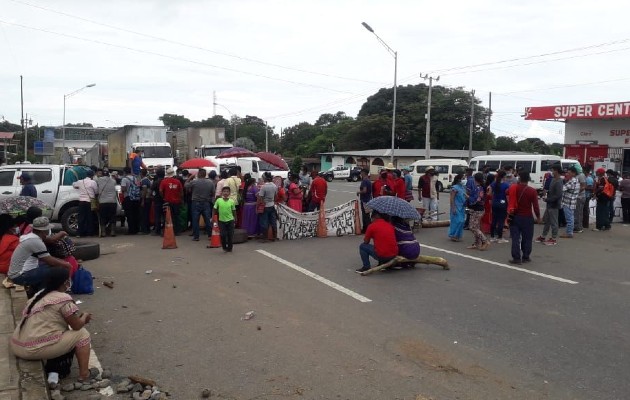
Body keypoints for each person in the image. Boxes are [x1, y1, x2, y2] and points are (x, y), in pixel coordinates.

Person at [10, 267, 92, 382]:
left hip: (18, 345)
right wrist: (84, 317)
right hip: (32, 349)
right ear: (65, 282)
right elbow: (77, 326)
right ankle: (84, 374)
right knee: (82, 334)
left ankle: (55, 371)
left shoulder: (38, 296)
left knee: (61, 331)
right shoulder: (63, 298)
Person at [8, 217, 71, 290]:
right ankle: (45, 291)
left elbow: (50, 239)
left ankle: (42, 288)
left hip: (17, 273)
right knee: (62, 271)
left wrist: (61, 233)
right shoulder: (35, 241)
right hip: (20, 277)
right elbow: (50, 260)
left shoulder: (30, 236)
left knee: (53, 267)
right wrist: (66, 264)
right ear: (44, 231)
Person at [507, 172, 541, 264]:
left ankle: (516, 258)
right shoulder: (532, 191)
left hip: (516, 216)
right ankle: (526, 256)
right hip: (528, 217)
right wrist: (538, 217)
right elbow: (536, 207)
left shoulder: (514, 188)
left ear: (519, 179)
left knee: (515, 238)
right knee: (527, 238)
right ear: (528, 179)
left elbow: (507, 193)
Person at [535, 164, 563, 246]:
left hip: (554, 204)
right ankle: (543, 236)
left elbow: (558, 195)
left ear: (556, 171)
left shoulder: (559, 181)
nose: (552, 172)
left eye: (553, 170)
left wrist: (548, 199)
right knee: (547, 221)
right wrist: (545, 195)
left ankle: (553, 238)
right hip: (549, 204)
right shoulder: (553, 179)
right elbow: (551, 191)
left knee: (554, 222)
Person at [186, 168, 215, 241]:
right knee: (207, 220)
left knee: (195, 220)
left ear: (199, 174)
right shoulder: (210, 182)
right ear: (205, 174)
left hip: (196, 202)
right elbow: (213, 193)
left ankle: (196, 236)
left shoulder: (194, 182)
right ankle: (210, 235)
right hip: (206, 202)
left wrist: (189, 178)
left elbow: (186, 185)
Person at [467, 172, 489, 251]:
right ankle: (477, 243)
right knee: (476, 227)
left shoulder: (478, 188)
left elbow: (475, 200)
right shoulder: (480, 187)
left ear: (475, 179)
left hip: (477, 209)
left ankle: (485, 240)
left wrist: (468, 197)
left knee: (472, 227)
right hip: (478, 209)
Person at [72, 170, 97, 237]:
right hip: (90, 202)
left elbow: (74, 184)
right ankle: (89, 233)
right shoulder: (93, 182)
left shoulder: (80, 182)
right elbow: (96, 191)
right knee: (90, 217)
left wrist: (78, 187)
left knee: (81, 217)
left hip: (82, 201)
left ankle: (79, 233)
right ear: (92, 176)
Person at [159, 168, 184, 235]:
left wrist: (163, 197)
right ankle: (177, 231)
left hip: (167, 201)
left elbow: (160, 191)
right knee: (176, 217)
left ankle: (166, 231)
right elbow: (181, 192)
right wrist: (180, 199)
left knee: (166, 217)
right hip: (176, 202)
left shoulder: (163, 181)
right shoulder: (178, 182)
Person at [488, 170, 510, 243]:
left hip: (495, 203)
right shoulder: (506, 185)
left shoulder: (493, 184)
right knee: (501, 221)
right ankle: (500, 237)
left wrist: (494, 198)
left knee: (494, 220)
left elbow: (489, 193)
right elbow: (507, 196)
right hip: (503, 203)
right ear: (503, 177)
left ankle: (492, 237)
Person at [214, 187, 236, 252]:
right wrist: (213, 217)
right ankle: (224, 246)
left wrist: (235, 218)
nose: (226, 193)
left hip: (230, 220)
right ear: (222, 192)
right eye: (224, 191)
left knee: (230, 235)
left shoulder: (232, 201)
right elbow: (214, 209)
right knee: (223, 235)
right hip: (221, 220)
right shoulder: (218, 200)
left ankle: (230, 247)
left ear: (229, 193)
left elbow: (234, 211)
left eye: (227, 191)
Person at [96, 169, 118, 237]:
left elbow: (96, 190)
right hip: (112, 202)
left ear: (102, 174)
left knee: (102, 217)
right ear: (109, 174)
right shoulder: (113, 181)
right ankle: (113, 232)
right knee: (113, 217)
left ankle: (103, 232)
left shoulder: (98, 180)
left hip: (102, 202)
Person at [258, 172, 278, 241]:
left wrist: (259, 205)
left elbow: (260, 198)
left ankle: (265, 237)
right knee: (273, 221)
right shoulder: (274, 186)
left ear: (265, 178)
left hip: (265, 206)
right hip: (272, 205)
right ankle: (274, 236)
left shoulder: (263, 187)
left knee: (264, 222)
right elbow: (275, 196)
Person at [120, 167, 141, 235]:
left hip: (128, 198)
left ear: (125, 172)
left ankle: (131, 230)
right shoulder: (135, 178)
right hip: (136, 198)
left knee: (129, 214)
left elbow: (123, 189)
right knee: (136, 214)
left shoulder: (124, 179)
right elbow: (138, 186)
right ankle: (136, 229)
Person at [560, 166, 579, 238]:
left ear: (573, 173)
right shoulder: (575, 180)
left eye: (569, 172)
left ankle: (569, 233)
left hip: (568, 202)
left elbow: (562, 188)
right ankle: (569, 232)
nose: (567, 173)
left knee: (569, 218)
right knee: (570, 217)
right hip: (571, 202)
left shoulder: (572, 181)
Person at [448, 174, 467, 242]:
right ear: (459, 179)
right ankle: (453, 235)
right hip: (456, 207)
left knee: (462, 221)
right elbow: (452, 199)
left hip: (462, 207)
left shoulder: (463, 187)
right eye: (463, 178)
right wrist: (453, 208)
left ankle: (457, 235)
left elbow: (465, 196)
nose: (464, 180)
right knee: (457, 221)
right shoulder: (454, 188)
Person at [151, 168, 165, 236]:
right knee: (165, 215)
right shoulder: (165, 181)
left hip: (157, 200)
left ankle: (158, 230)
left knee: (157, 216)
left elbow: (152, 188)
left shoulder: (156, 182)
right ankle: (165, 230)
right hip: (165, 200)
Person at [357, 169, 372, 234]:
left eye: (361, 172)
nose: (361, 174)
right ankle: (368, 228)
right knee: (367, 214)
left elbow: (364, 190)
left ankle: (366, 229)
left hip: (365, 200)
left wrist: (359, 192)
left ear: (364, 173)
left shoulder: (364, 181)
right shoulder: (368, 180)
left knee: (365, 215)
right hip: (368, 199)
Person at [573, 165, 586, 233]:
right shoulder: (578, 175)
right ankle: (578, 226)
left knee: (578, 212)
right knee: (577, 212)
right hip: (578, 196)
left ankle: (578, 227)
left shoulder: (581, 175)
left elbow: (583, 186)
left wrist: (575, 192)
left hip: (580, 197)